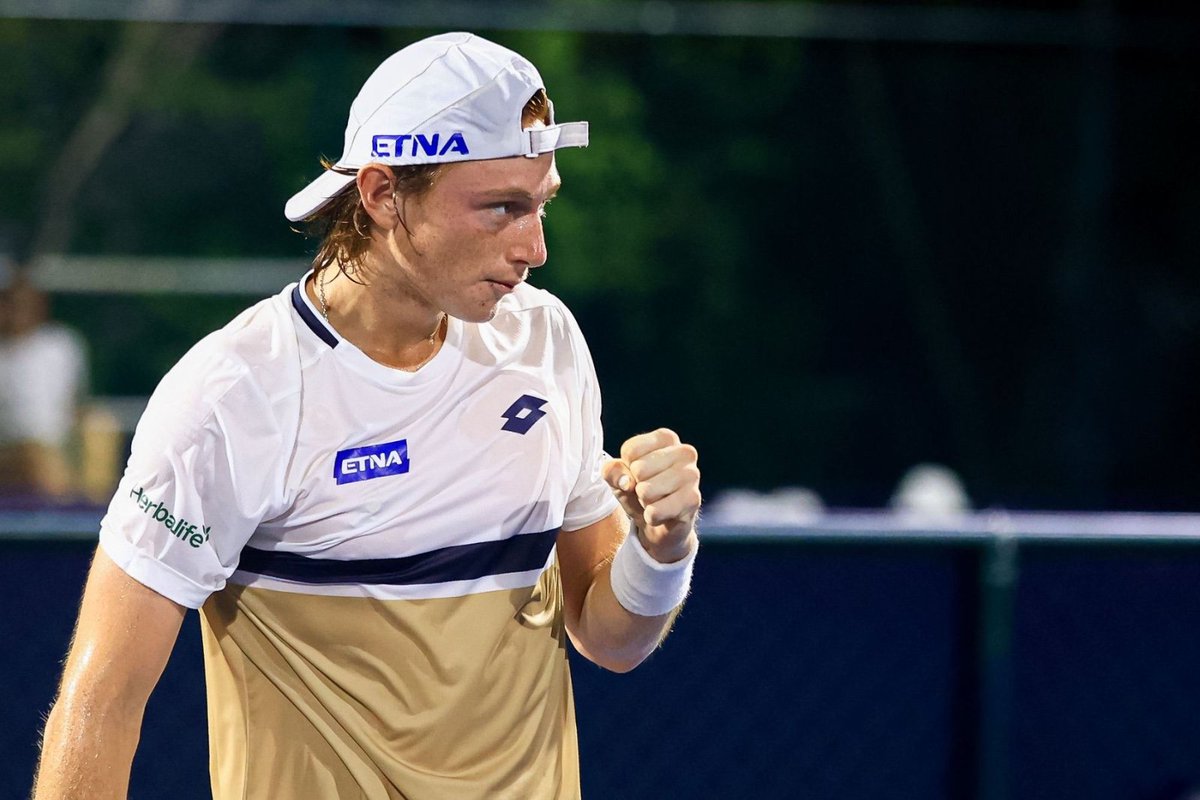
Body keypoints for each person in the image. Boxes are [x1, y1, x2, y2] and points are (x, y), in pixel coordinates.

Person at [33, 31, 701, 800]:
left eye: (542, 204)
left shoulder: (545, 340)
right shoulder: (234, 394)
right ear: (383, 195)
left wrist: (660, 550)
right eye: (501, 209)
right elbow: (103, 701)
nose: (536, 247)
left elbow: (609, 639)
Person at [0, 271, 88, 500]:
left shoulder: (61, 345)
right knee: (34, 455)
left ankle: (79, 510)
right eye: (13, 304)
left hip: (58, 445)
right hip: (10, 448)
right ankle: (66, 512)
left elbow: (77, 403)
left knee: (101, 428)